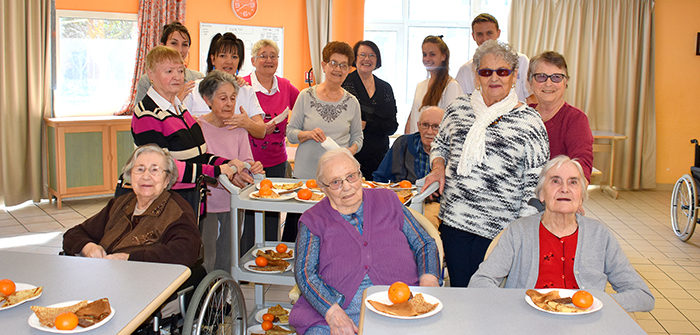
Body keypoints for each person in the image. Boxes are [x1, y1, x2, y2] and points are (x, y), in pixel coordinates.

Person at [422, 40, 550, 287]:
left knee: (492, 300)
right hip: (455, 222)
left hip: (502, 229)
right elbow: (440, 145)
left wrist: (519, 230)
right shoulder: (458, 108)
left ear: (514, 76)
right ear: (476, 75)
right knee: (460, 289)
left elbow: (536, 181)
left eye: (502, 71)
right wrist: (438, 167)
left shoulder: (529, 120)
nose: (494, 78)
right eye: (486, 71)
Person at [469, 156, 655, 312]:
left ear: (581, 195)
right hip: (528, 324)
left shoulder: (599, 235)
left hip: (586, 326)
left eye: (573, 182)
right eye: (555, 181)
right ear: (541, 194)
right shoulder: (519, 231)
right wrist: (516, 307)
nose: (564, 189)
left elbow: (643, 296)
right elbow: (480, 282)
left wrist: (598, 303)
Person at [289, 149, 441, 335]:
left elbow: (424, 243)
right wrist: (333, 312)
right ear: (322, 187)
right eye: (336, 182)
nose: (347, 187)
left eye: (351, 176)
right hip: (336, 312)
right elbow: (305, 273)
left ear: (360, 173)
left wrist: (429, 279)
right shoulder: (313, 220)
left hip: (401, 303)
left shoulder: (389, 200)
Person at [131, 46, 250, 211]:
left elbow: (197, 156)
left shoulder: (180, 109)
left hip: (190, 201)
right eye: (169, 71)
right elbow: (161, 167)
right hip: (165, 207)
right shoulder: (147, 113)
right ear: (151, 74)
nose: (177, 77)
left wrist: (226, 162)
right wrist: (215, 170)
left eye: (180, 71)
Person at [63, 145, 201, 267]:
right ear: (130, 175)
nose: (146, 176)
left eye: (155, 170)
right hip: (103, 273)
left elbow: (185, 252)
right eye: (140, 169)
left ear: (167, 180)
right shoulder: (119, 204)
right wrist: (88, 247)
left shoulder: (177, 211)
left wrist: (130, 258)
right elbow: (74, 234)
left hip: (144, 281)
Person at [285, 41, 363, 241]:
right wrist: (308, 134)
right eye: (333, 63)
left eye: (343, 65)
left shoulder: (352, 102)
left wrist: (348, 153)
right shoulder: (305, 96)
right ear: (324, 65)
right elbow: (290, 132)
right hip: (306, 177)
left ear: (348, 70)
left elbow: (358, 138)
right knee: (299, 234)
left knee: (333, 236)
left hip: (338, 181)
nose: (337, 69)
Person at [197, 70, 265, 271]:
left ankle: (224, 299)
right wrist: (232, 172)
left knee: (228, 257)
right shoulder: (197, 127)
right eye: (223, 98)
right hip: (207, 204)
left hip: (233, 202)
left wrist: (251, 168)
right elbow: (203, 167)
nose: (229, 103)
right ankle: (204, 300)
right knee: (206, 257)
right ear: (207, 99)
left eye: (233, 98)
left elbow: (246, 162)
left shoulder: (238, 128)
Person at [242, 39, 300, 241]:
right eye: (263, 55)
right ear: (253, 60)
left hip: (277, 161)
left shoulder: (285, 86)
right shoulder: (243, 85)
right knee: (248, 215)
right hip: (248, 162)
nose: (268, 60)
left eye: (273, 56)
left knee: (273, 213)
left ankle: (271, 258)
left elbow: (302, 108)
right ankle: (246, 261)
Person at [183, 32, 266, 139]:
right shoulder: (194, 89)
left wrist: (247, 123)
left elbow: (261, 131)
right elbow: (180, 125)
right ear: (213, 59)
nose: (229, 61)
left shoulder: (246, 90)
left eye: (234, 57)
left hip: (235, 155)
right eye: (223, 56)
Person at [374, 106, 444, 230]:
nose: (429, 131)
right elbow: (380, 178)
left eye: (435, 126)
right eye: (425, 125)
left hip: (432, 204)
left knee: (425, 224)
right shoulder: (402, 143)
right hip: (400, 201)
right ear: (418, 125)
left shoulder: (450, 152)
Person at [528, 51, 594, 181]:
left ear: (566, 82)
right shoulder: (523, 115)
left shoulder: (575, 119)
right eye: (541, 77)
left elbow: (582, 167)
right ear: (530, 81)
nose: (548, 83)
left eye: (556, 77)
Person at [342, 40, 398, 180]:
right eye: (362, 54)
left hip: (379, 158)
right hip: (351, 155)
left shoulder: (385, 88)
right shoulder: (344, 84)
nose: (367, 59)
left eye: (372, 55)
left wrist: (366, 124)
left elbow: (391, 126)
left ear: (377, 59)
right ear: (355, 58)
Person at [455, 13, 536, 104]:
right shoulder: (465, 70)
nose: (485, 39)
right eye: (480, 34)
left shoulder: (521, 60)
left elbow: (533, 97)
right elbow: (459, 103)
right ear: (473, 36)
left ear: (498, 33)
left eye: (489, 33)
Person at [135, 21, 204, 104]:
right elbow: (141, 115)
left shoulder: (198, 78)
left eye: (185, 45)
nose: (180, 50)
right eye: (174, 43)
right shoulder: (147, 80)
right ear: (162, 46)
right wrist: (177, 100)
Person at [405, 35, 461, 134]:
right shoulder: (420, 86)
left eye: (432, 54)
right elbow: (412, 119)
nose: (427, 59)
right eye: (424, 54)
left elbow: (453, 125)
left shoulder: (451, 86)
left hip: (437, 147)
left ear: (443, 56)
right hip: (417, 145)